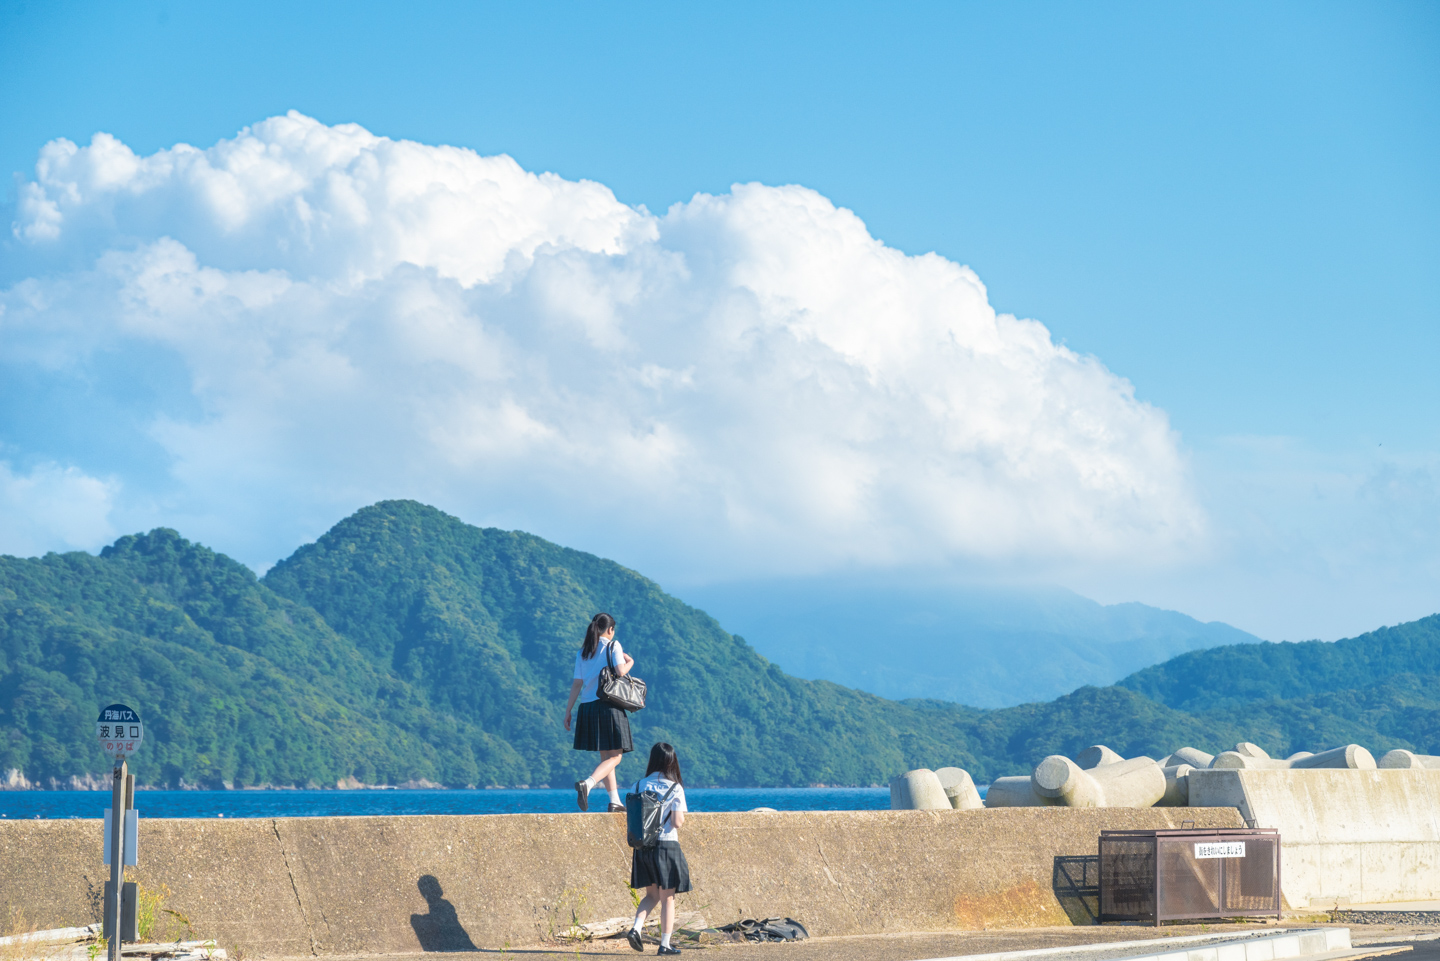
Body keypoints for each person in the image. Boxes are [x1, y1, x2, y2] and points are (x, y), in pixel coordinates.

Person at [564, 612, 634, 812]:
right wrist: (631, 662)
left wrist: (568, 711)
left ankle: (615, 801)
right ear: (610, 629)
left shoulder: (583, 651)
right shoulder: (614, 646)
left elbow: (577, 683)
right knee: (616, 757)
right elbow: (621, 672)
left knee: (606, 756)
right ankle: (589, 783)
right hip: (607, 705)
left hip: (587, 707)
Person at [627, 742, 691, 956]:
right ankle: (665, 944)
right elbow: (678, 822)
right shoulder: (675, 787)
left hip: (643, 847)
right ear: (671, 762)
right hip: (666, 844)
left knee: (651, 895)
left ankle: (636, 928)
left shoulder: (637, 785)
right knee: (667, 898)